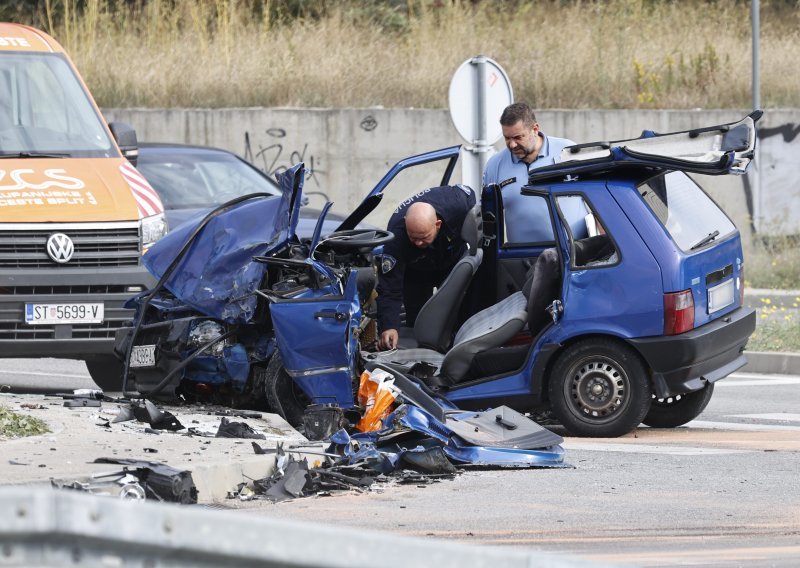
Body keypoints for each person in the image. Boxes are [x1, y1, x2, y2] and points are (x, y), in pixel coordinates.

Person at [376, 185, 476, 350]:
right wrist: (389, 326)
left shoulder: (457, 204)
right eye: (413, 238)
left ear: (437, 224)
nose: (418, 243)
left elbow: (472, 197)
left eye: (423, 237)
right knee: (418, 324)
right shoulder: (397, 235)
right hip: (417, 272)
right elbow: (389, 287)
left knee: (457, 315)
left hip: (451, 259)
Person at [483, 102, 585, 243]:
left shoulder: (567, 151)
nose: (512, 145)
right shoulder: (495, 165)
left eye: (518, 137)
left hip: (572, 254)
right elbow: (487, 216)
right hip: (520, 257)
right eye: (507, 138)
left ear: (535, 129)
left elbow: (598, 197)